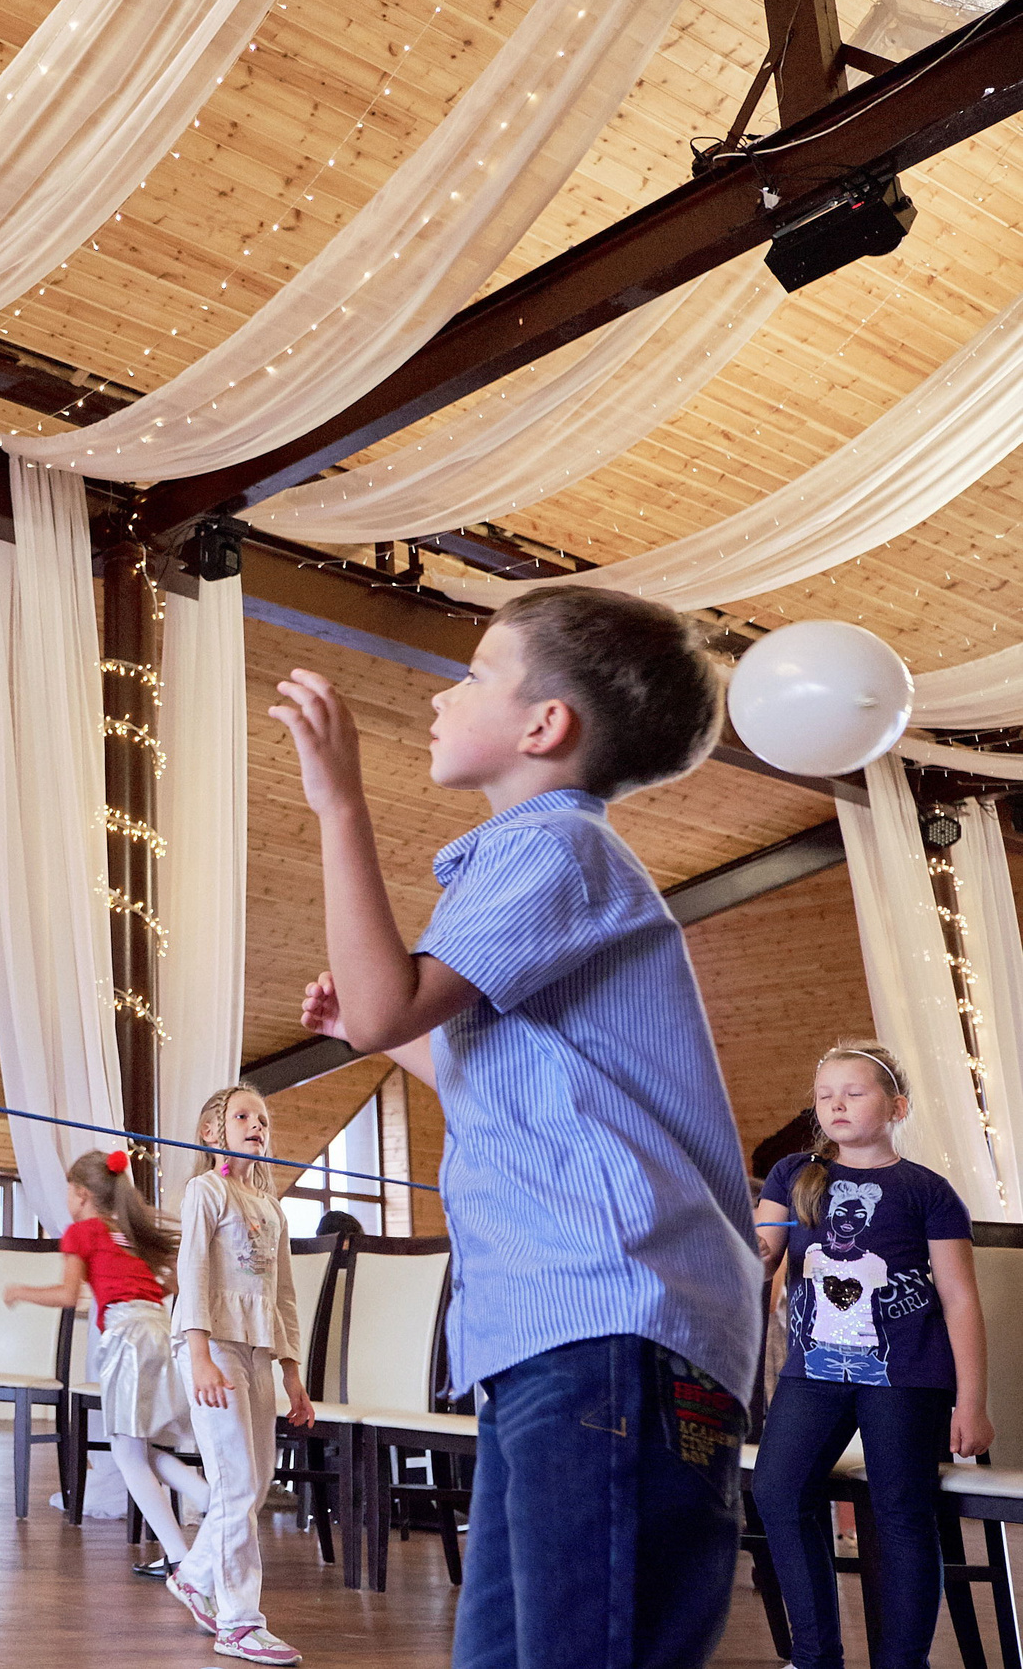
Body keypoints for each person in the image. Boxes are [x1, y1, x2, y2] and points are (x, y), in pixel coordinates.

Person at [274, 584, 760, 1669]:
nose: (445, 696)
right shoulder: (535, 861)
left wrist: (339, 804)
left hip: (610, 1322)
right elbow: (495, 1070)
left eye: (476, 672)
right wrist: (379, 1032)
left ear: (545, 726)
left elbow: (392, 998)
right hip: (567, 1326)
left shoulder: (554, 850)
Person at [752, 1040, 992, 1669]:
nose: (836, 1104)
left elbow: (960, 1299)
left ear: (897, 1106)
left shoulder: (929, 1192)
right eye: (825, 1095)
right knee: (778, 1490)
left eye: (854, 1092)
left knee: (902, 1513)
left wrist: (971, 1402)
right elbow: (763, 1252)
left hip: (907, 1379)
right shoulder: (793, 1174)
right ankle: (813, 1657)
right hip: (813, 1372)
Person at [4, 1148, 211, 1575]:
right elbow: (171, 1282)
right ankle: (205, 1505)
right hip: (158, 1332)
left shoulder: (83, 1232)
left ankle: (181, 1557)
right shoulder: (131, 1233)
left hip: (127, 1338)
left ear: (81, 1194)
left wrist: (21, 1291)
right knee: (135, 1447)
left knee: (127, 1453)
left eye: (67, 1190)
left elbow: (67, 1295)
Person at [170, 1085, 314, 1666]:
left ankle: (194, 1576)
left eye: (262, 1119)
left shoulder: (272, 1209)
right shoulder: (206, 1191)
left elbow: (283, 1297)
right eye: (243, 1116)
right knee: (234, 1483)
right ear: (213, 1133)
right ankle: (238, 1623)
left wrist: (293, 1375)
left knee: (255, 1484)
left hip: (257, 1352)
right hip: (212, 1348)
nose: (257, 1125)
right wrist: (199, 1353)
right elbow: (193, 1275)